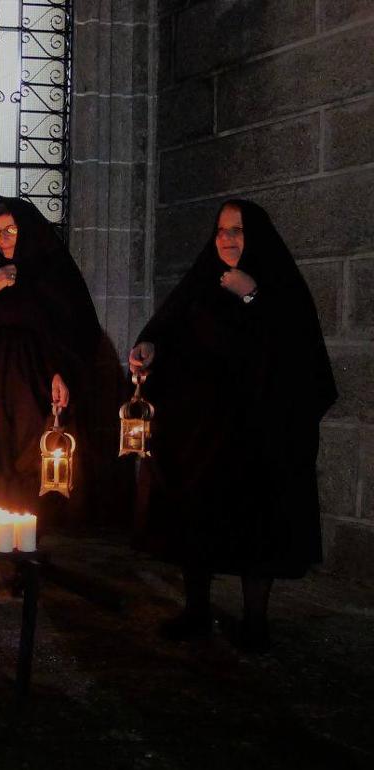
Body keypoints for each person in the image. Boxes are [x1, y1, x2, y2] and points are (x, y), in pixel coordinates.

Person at [129, 200, 335, 652]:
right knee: (196, 517)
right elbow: (168, 329)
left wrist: (251, 295)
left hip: (258, 431)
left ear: (254, 235)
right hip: (200, 431)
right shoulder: (202, 281)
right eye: (222, 230)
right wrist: (148, 347)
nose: (227, 238)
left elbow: (296, 350)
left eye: (238, 230)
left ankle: (255, 621)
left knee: (255, 523)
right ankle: (196, 610)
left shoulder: (278, 285)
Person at [0, 197, 103, 599]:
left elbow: (76, 329)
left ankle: (21, 560)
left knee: (26, 473)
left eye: (10, 230)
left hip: (34, 388)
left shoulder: (51, 271)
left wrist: (62, 372)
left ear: (27, 230)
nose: (2, 239)